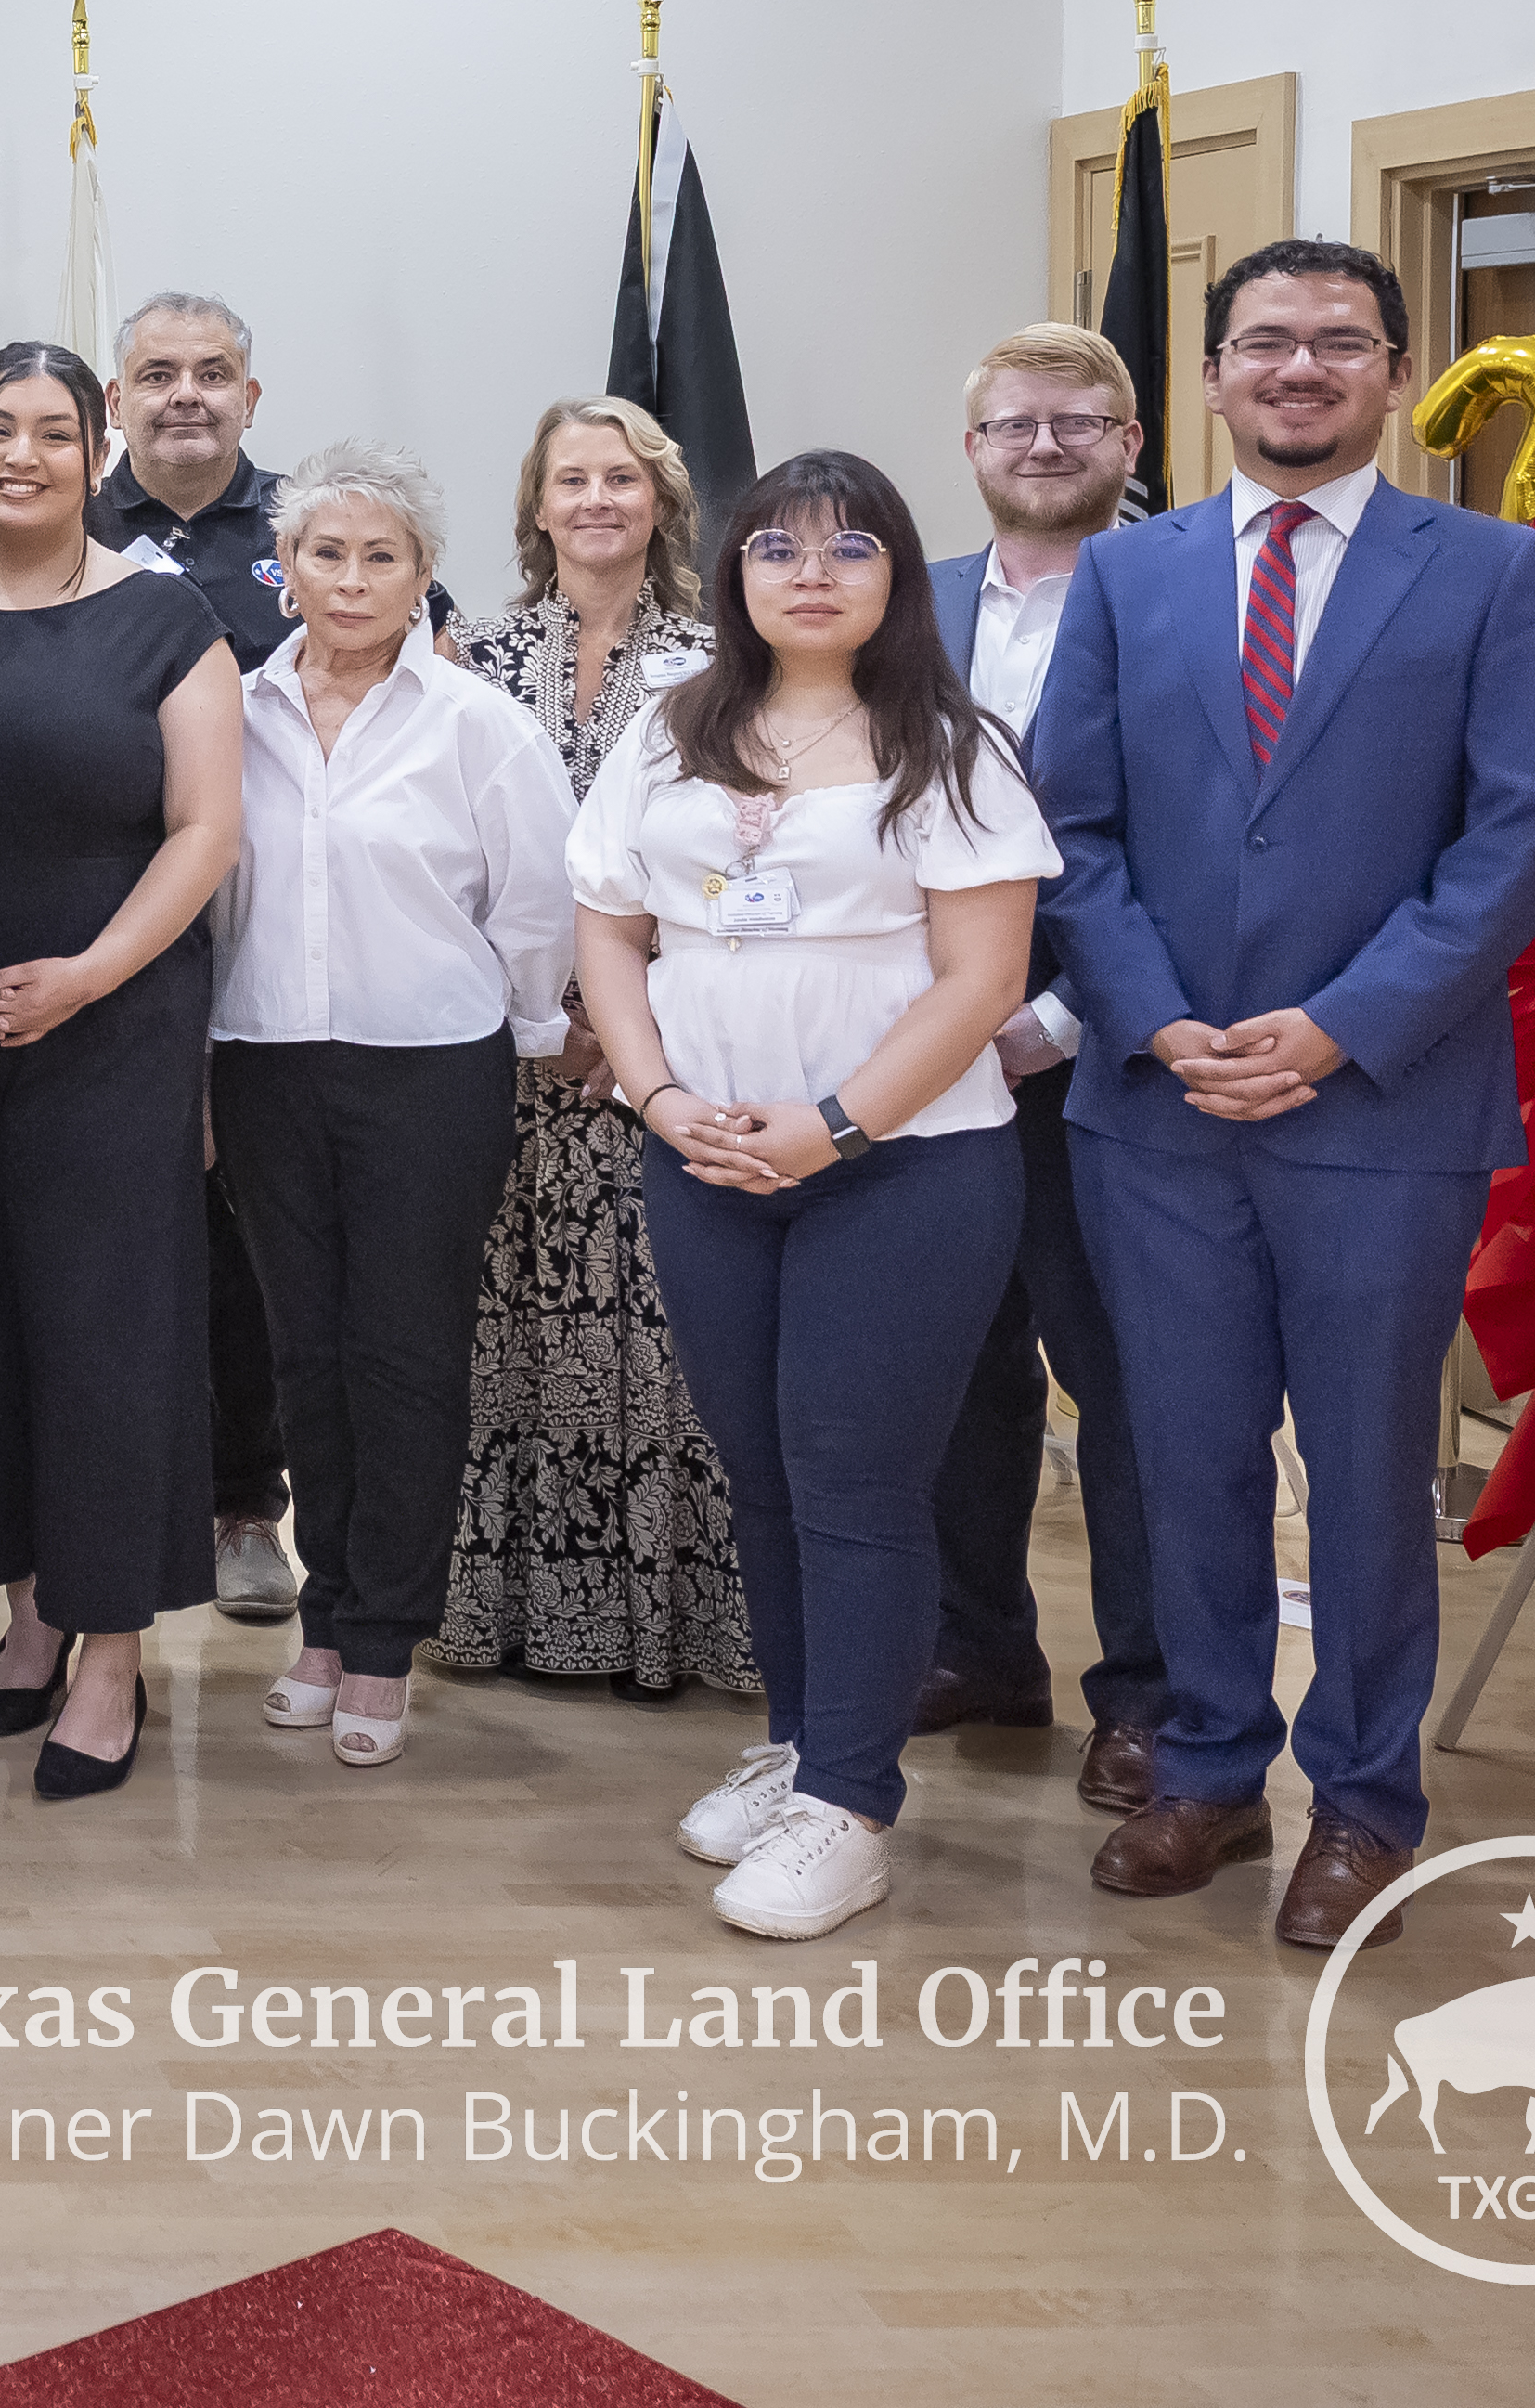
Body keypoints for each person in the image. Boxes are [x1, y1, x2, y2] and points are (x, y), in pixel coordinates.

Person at [1038, 240, 1535, 1952]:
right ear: (1204, 378)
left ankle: (1363, 1800)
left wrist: (1338, 1024)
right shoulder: (1128, 579)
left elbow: (1515, 838)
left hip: (1380, 1108)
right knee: (1181, 1453)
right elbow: (1069, 824)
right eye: (1260, 340)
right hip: (1161, 1101)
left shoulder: (1493, 571)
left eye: (1333, 341)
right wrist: (1151, 1016)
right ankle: (1205, 1760)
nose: (1295, 366)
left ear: (1394, 372)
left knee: (1359, 1476)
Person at [570, 451, 1053, 1943]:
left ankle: (849, 1805)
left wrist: (832, 1126)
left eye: (849, 547)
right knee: (763, 1473)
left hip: (898, 1172)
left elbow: (985, 977)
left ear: (895, 576)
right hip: (705, 1158)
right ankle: (796, 1742)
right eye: (775, 545)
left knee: (854, 1482)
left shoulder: (948, 743)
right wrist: (656, 1098)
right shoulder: (666, 731)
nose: (808, 571)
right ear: (732, 572)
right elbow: (606, 928)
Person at [0, 344, 238, 1804]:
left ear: (98, 454)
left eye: (54, 433)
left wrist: (84, 976)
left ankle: (110, 1655)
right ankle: (25, 1606)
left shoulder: (163, 615)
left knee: (103, 1336)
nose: (22, 453)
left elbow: (203, 829)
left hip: (111, 1018)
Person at [208, 443, 578, 1775]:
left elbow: (536, 900)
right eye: (324, 552)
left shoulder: (476, 723)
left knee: (404, 1354)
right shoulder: (230, 709)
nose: (349, 578)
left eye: (380, 555)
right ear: (282, 567)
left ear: (422, 574)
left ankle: (382, 1639)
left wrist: (530, 1026)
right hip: (261, 1060)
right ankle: (321, 1617)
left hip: (427, 1064)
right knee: (301, 1352)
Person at [442, 394, 754, 1702]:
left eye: (619, 478)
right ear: (535, 503)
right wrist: (535, 1012)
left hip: (657, 1060)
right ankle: (502, 1614)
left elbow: (741, 855)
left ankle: (660, 1628)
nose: (594, 500)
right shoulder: (469, 654)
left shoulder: (717, 657)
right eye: (569, 478)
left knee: (663, 1335)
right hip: (500, 1056)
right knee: (497, 1330)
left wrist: (620, 1028)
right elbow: (440, 851)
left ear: (661, 502)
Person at [924, 326, 1166, 1810]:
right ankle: (978, 1647)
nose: (1043, 443)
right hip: (932, 1070)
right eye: (1012, 422)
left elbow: (1180, 845)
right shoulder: (915, 604)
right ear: (970, 448)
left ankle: (1142, 1691)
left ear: (1127, 441)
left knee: (1126, 1385)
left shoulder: (1181, 601)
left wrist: (1064, 1014)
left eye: (1079, 420)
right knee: (954, 1372)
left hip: (1102, 1061)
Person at [86, 291, 303, 1627]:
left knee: (242, 1243)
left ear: (248, 396)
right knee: (107, 1237)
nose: (183, 394)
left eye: (210, 373)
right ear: (113, 399)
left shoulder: (308, 530)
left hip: (277, 930)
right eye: (154, 373)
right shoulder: (53, 515)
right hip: (99, 932)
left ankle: (241, 1507)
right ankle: (112, 1497)